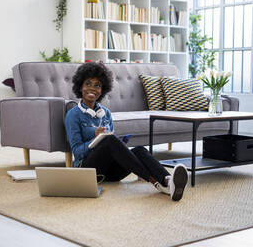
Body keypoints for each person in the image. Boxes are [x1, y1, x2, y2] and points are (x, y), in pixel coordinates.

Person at [64, 62, 188, 201]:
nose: (92, 88)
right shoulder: (73, 115)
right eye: (88, 83)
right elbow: (77, 152)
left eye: (97, 85)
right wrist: (95, 138)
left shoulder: (105, 113)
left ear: (103, 89)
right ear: (80, 86)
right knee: (109, 140)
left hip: (111, 173)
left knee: (140, 150)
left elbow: (113, 149)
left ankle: (168, 181)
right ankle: (156, 182)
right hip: (87, 170)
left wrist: (120, 145)